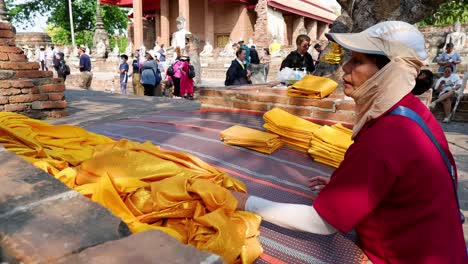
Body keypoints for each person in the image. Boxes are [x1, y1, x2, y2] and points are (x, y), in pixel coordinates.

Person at [231, 21, 466, 263]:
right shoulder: (412, 111)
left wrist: (246, 201)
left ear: (389, 71)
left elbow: (321, 223)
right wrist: (346, 185)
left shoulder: (387, 137)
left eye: (357, 61)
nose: (345, 67)